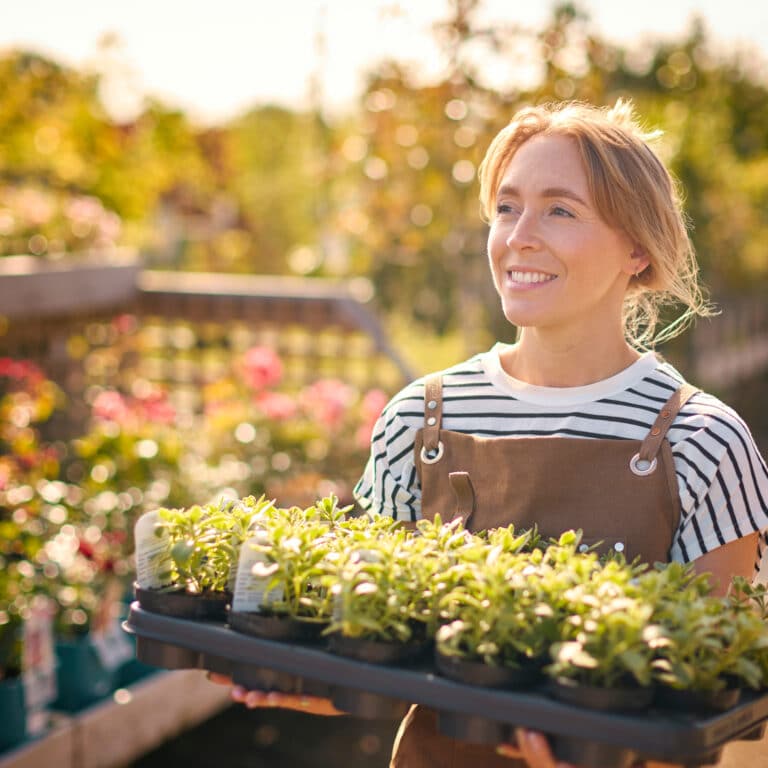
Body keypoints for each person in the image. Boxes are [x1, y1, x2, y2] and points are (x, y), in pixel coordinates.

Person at [213, 99, 768, 768]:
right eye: (506, 208)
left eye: (560, 210)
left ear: (638, 249)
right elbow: (385, 651)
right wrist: (297, 680)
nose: (519, 236)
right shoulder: (422, 419)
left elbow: (722, 718)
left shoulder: (704, 442)